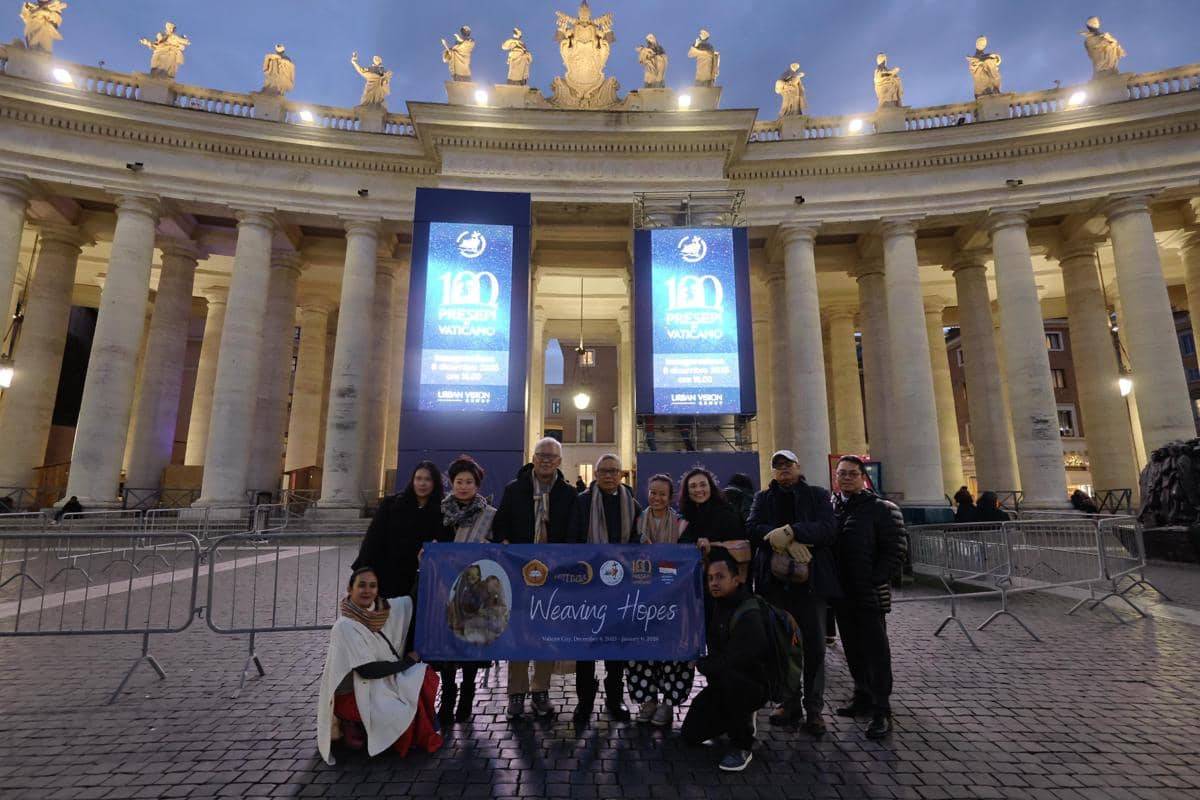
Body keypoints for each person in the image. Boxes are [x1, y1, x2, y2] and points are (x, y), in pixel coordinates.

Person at [746, 449, 838, 735]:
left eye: (788, 465)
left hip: (810, 586)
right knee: (783, 647)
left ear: (799, 466)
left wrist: (792, 531)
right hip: (774, 585)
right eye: (778, 466)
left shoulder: (818, 495)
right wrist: (779, 541)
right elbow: (752, 528)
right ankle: (789, 702)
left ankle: (814, 709)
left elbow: (828, 528)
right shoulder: (763, 498)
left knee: (814, 648)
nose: (783, 469)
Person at [316, 567, 442, 764]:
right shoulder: (344, 626)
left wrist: (423, 566)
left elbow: (412, 601)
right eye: (362, 585)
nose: (367, 590)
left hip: (376, 684)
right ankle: (351, 721)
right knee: (401, 702)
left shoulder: (380, 610)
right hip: (353, 694)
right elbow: (368, 670)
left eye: (372, 586)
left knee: (423, 676)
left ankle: (393, 730)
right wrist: (407, 662)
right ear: (350, 589)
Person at [491, 437, 575, 720]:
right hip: (519, 573)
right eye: (541, 455)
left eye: (552, 456)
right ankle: (516, 694)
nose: (546, 460)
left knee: (544, 632)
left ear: (560, 461)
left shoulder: (568, 493)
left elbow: (574, 532)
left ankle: (541, 690)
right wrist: (503, 539)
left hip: (552, 576)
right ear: (533, 457)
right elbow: (500, 522)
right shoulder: (514, 490)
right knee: (518, 632)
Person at [829, 455, 907, 740]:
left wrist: (874, 578)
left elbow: (896, 549)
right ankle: (861, 694)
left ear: (863, 477)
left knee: (876, 652)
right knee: (852, 648)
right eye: (842, 474)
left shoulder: (883, 509)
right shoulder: (833, 507)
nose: (846, 478)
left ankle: (881, 709)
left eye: (852, 474)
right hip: (842, 593)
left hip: (869, 593)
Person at [681, 548, 769, 772]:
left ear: (737, 578)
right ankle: (732, 719)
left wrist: (699, 663)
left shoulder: (748, 615)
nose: (713, 583)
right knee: (690, 734)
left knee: (730, 679)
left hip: (749, 685)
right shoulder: (719, 603)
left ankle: (742, 745)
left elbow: (732, 662)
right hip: (724, 684)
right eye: (710, 578)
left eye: (720, 577)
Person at [569, 453, 641, 724]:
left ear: (621, 475)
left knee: (615, 645)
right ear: (596, 475)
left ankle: (615, 698)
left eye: (614, 471)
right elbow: (573, 539)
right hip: (588, 585)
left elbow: (636, 539)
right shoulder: (582, 502)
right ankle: (584, 701)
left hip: (619, 585)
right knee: (584, 646)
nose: (609, 476)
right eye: (604, 471)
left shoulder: (632, 504)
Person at [627, 474, 691, 727]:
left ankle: (668, 703)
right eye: (653, 492)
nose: (656, 498)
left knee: (672, 651)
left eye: (662, 493)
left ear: (671, 496)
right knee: (643, 649)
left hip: (673, 599)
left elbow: (685, 559)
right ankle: (648, 700)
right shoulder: (638, 521)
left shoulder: (681, 524)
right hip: (643, 597)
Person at [436, 455, 496, 724]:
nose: (463, 486)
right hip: (443, 587)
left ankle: (467, 698)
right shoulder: (440, 513)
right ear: (452, 483)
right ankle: (447, 695)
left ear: (477, 485)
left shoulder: (489, 515)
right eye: (459, 481)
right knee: (447, 644)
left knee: (471, 641)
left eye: (468, 482)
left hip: (474, 590)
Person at [352, 461, 445, 599]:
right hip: (386, 575)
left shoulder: (442, 510)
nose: (422, 484)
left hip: (418, 580)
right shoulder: (392, 504)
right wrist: (364, 572)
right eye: (418, 478)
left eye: (427, 479)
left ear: (435, 482)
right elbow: (372, 540)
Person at [679, 467, 745, 548]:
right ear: (687, 491)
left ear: (711, 487)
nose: (698, 489)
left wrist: (711, 547)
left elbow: (738, 545)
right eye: (693, 486)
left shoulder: (726, 514)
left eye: (703, 485)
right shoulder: (685, 516)